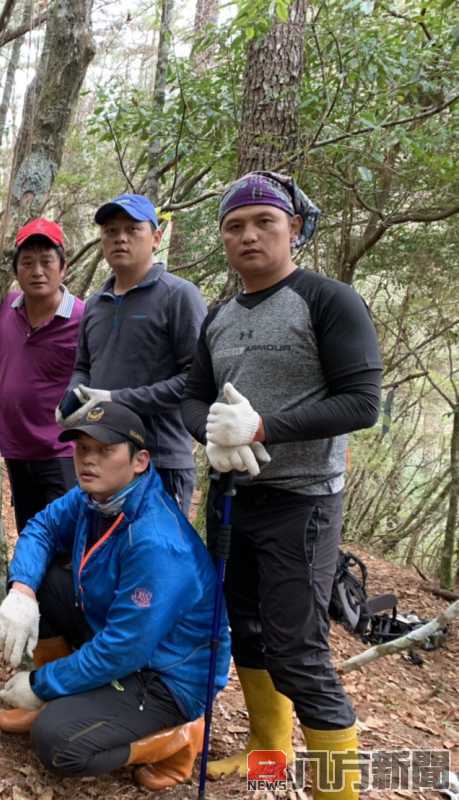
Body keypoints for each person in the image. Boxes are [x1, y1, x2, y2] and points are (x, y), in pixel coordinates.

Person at [181, 171, 382, 800]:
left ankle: (336, 791)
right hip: (235, 497)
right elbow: (193, 396)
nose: (248, 236)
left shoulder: (328, 301)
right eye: (234, 226)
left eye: (264, 222)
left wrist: (264, 426)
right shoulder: (218, 315)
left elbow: (361, 402)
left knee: (299, 650)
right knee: (246, 628)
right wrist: (212, 435)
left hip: (304, 502)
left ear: (293, 228)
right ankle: (268, 756)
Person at [0, 400, 229, 790]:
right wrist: (22, 590)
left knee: (57, 742)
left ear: (139, 461)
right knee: (42, 582)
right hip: (119, 639)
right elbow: (42, 527)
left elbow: (124, 649)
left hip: (167, 677)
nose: (89, 461)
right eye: (83, 449)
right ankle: (63, 697)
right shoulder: (95, 498)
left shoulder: (156, 541)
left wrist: (40, 683)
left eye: (105, 451)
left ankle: (179, 738)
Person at [58, 194, 206, 514]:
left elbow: (194, 381)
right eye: (110, 231)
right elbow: (83, 366)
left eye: (132, 229)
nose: (120, 238)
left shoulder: (179, 296)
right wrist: (72, 397)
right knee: (105, 558)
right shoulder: (96, 303)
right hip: (102, 460)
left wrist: (114, 399)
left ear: (156, 237)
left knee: (155, 560)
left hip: (160, 459)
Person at [0, 218, 84, 531]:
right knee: (30, 531)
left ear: (63, 268)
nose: (37, 271)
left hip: (63, 450)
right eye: (28, 263)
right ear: (15, 270)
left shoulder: (83, 318)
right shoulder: (7, 308)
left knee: (62, 538)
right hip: (16, 448)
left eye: (47, 262)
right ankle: (27, 583)